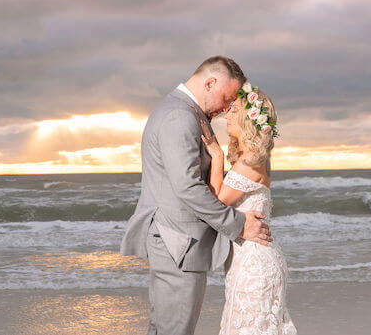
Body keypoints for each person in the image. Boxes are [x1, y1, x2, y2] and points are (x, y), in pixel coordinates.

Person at [120, 56, 273, 335]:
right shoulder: (180, 115)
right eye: (226, 98)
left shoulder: (183, 111)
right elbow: (188, 187)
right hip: (178, 241)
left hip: (177, 240)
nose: (226, 108)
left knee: (166, 327)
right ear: (210, 83)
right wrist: (239, 224)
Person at [201, 84, 297, 335]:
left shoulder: (251, 160)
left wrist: (217, 159)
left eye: (233, 111)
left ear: (248, 118)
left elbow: (217, 202)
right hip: (251, 258)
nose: (226, 116)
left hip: (255, 263)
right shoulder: (253, 157)